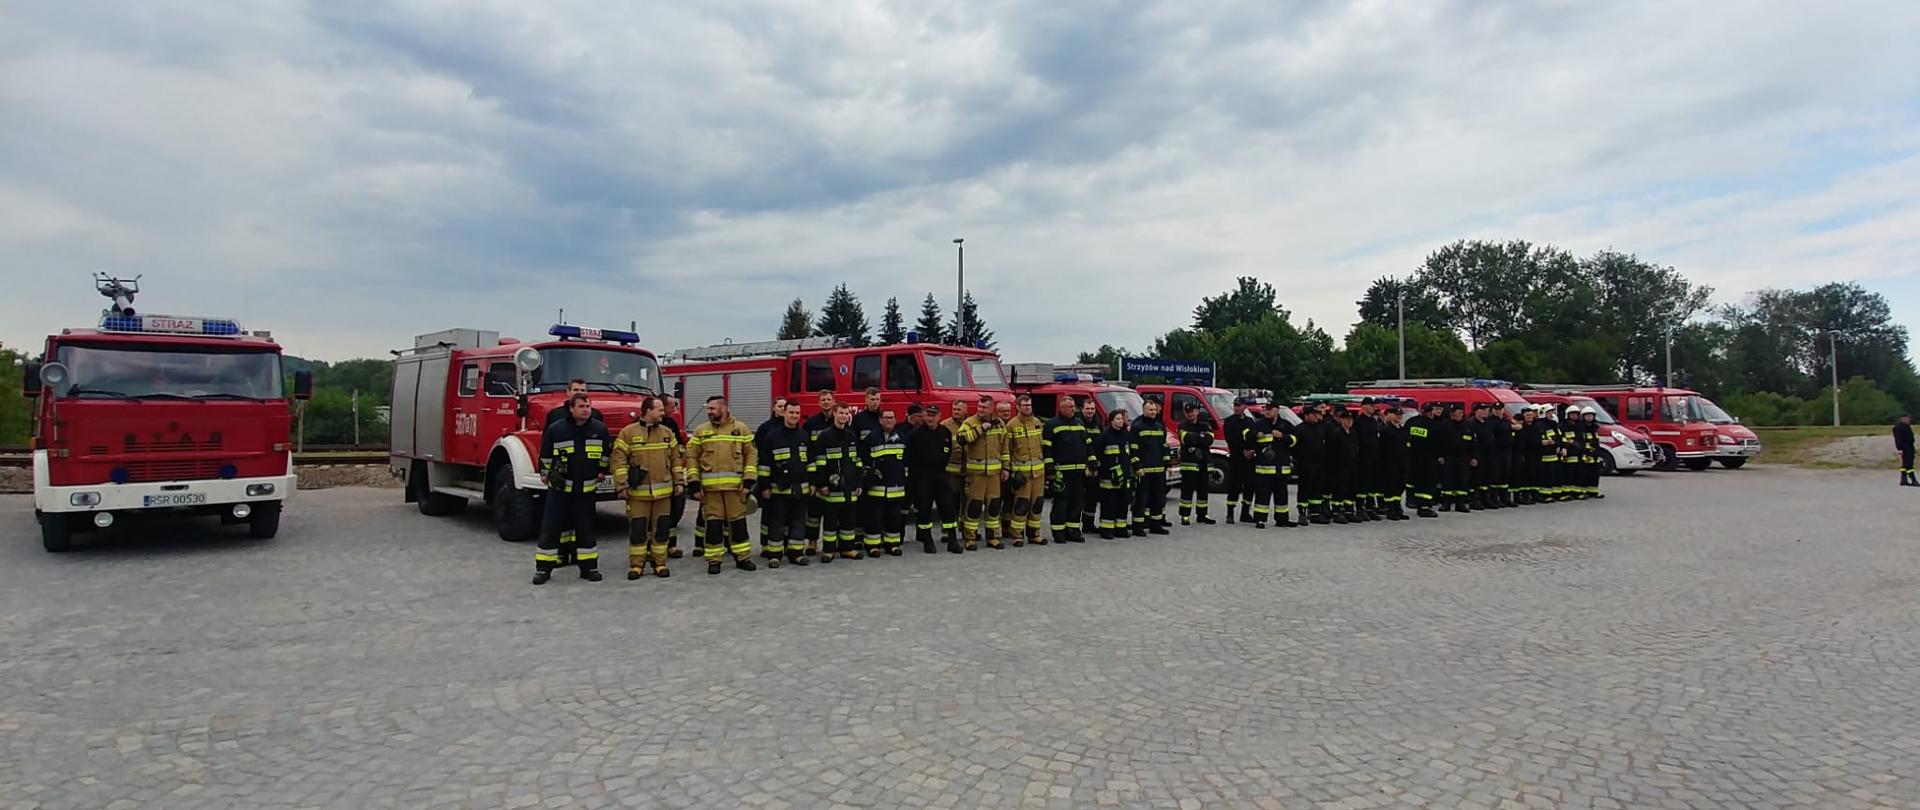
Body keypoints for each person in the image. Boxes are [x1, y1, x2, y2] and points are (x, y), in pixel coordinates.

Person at [532, 393, 610, 584]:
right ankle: (543, 569)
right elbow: (546, 455)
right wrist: (548, 474)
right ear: (571, 409)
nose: (586, 410)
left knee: (586, 530)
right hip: (559, 491)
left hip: (585, 492)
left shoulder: (599, 429)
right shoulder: (556, 430)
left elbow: (606, 453)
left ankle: (589, 567)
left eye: (588, 406)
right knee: (550, 530)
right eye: (582, 406)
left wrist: (602, 470)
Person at [611, 395, 682, 580]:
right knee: (638, 530)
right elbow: (618, 461)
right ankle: (637, 565)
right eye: (659, 410)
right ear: (648, 411)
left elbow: (676, 460)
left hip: (663, 495)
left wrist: (679, 482)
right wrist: (621, 485)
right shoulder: (628, 433)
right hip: (638, 495)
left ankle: (660, 563)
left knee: (661, 530)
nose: (663, 413)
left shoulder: (667, 433)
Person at [687, 396, 758, 576]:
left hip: (736, 489)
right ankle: (714, 559)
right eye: (708, 409)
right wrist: (694, 483)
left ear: (724, 408)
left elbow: (751, 455)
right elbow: (691, 458)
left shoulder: (740, 429)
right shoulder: (701, 431)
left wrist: (749, 481)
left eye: (713, 408)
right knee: (713, 525)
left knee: (739, 524)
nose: (709, 412)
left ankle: (743, 557)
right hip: (710, 491)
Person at [756, 400, 812, 567]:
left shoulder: (804, 436)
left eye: (797, 413)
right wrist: (764, 486)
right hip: (779, 490)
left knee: (798, 522)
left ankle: (796, 554)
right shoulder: (772, 436)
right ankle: (775, 555)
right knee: (777, 523)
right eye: (791, 412)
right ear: (784, 413)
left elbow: (811, 463)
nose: (794, 416)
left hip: (800, 489)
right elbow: (765, 464)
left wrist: (813, 483)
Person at [811, 403, 865, 562]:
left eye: (846, 413)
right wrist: (822, 484)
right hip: (831, 488)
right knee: (830, 521)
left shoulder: (851, 436)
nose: (843, 416)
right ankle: (829, 551)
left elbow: (857, 463)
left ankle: (848, 549)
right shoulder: (825, 436)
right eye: (841, 413)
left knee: (849, 522)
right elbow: (820, 463)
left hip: (849, 487)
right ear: (834, 414)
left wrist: (859, 484)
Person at [907, 404, 962, 553]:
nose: (930, 418)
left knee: (948, 508)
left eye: (933, 415)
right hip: (922, 477)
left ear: (939, 416)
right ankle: (928, 541)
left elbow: (948, 450)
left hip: (941, 475)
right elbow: (910, 457)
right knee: (924, 509)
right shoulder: (915, 434)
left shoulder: (945, 432)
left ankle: (952, 540)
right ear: (924, 416)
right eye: (928, 415)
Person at [958, 395, 1010, 550]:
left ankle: (992, 537)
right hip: (976, 475)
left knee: (993, 507)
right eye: (979, 407)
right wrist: (981, 429)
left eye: (984, 407)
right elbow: (961, 439)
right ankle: (970, 537)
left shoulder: (999, 424)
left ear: (991, 408)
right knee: (974, 506)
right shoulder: (969, 423)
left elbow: (1004, 448)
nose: (980, 410)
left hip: (994, 474)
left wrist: (1006, 468)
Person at [861, 408, 908, 556]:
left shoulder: (902, 437)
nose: (889, 420)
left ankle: (892, 544)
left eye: (891, 417)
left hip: (896, 487)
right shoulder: (871, 438)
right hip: (877, 488)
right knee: (874, 518)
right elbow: (864, 460)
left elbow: (907, 460)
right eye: (886, 418)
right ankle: (872, 546)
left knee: (894, 518)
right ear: (880, 420)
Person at [1044, 397, 1092, 544]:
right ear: (1062, 408)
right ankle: (1059, 532)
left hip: (1078, 472)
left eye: (1074, 406)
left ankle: (1073, 530)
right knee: (1061, 503)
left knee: (1077, 503)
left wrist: (1092, 461)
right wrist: (1050, 469)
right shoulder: (1052, 424)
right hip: (1061, 472)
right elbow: (1047, 448)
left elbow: (1088, 443)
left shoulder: (1079, 423)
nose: (1074, 409)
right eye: (1070, 407)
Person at [1004, 395, 1048, 546]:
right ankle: (1017, 535)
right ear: (1017, 406)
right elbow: (1007, 451)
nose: (1028, 407)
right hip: (1022, 474)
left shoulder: (1037, 423)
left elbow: (1042, 447)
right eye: (1024, 405)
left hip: (1038, 473)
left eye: (1029, 405)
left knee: (1037, 504)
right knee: (1021, 505)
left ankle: (1034, 534)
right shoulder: (1011, 425)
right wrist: (1011, 472)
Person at [801, 390, 838, 557]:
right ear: (818, 403)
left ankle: (831, 544)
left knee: (832, 513)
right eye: (823, 400)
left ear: (834, 401)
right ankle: (812, 543)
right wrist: (813, 480)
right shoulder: (811, 424)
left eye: (829, 399)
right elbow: (808, 450)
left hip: (835, 474)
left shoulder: (840, 421)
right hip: (817, 472)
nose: (826, 402)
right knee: (813, 514)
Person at [753, 397, 791, 559]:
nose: (782, 409)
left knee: (786, 515)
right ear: (774, 408)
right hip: (771, 477)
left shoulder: (791, 427)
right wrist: (764, 483)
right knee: (768, 514)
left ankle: (786, 543)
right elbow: (763, 456)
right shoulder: (765, 428)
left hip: (786, 480)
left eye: (785, 406)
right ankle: (765, 545)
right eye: (780, 406)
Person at [851, 387, 887, 549]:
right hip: (864, 466)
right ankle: (858, 536)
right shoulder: (859, 419)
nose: (875, 402)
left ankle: (877, 533)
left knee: (879, 503)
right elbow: (855, 442)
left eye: (877, 399)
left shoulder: (884, 417)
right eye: (872, 399)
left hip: (881, 466)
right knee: (861, 503)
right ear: (865, 400)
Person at [1130, 396, 1171, 535]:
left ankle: (1156, 525)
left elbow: (1164, 446)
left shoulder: (1160, 426)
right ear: (1144, 410)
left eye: (1154, 410)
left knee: (1158, 499)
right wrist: (1137, 466)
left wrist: (1168, 463)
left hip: (1159, 470)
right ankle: (1138, 526)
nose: (1153, 412)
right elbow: (1133, 449)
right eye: (1150, 410)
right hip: (1144, 470)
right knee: (1141, 500)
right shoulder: (1137, 427)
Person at [1092, 409, 1135, 539]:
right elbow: (1097, 454)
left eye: (1122, 419)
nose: (1120, 421)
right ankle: (1106, 530)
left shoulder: (1126, 435)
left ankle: (1120, 528)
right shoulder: (1104, 436)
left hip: (1124, 476)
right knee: (1109, 504)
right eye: (1117, 419)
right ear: (1111, 421)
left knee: (1123, 503)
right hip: (1108, 477)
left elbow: (1130, 454)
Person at [1176, 402, 1216, 526]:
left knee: (1203, 491)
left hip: (1203, 463)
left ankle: (1202, 515)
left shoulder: (1205, 424)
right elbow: (1186, 438)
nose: (1190, 414)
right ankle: (1185, 515)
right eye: (1188, 412)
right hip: (1189, 464)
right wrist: (1200, 437)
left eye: (1192, 411)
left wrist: (1195, 439)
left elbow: (1209, 440)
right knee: (1187, 491)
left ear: (1197, 412)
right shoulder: (1182, 426)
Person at [1402, 401, 1442, 517]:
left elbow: (1405, 437)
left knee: (1414, 481)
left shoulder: (1411, 422)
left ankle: (1413, 501)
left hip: (1412, 458)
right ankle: (1424, 507)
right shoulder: (1433, 425)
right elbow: (1438, 443)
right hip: (1428, 460)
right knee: (1427, 484)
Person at [661, 394, 688, 559]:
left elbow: (679, 446)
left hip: (672, 474)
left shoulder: (670, 423)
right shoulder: (638, 428)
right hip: (655, 479)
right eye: (672, 406)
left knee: (674, 512)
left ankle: (671, 546)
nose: (674, 409)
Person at [1292, 406, 1328, 524]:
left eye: (1316, 414)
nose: (1315, 416)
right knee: (1304, 489)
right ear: (1306, 415)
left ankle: (1315, 513)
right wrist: (1299, 460)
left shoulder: (1320, 428)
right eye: (1312, 414)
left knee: (1317, 488)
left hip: (1319, 463)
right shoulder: (1299, 429)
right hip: (1305, 464)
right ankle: (1302, 513)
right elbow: (1294, 448)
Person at [1244, 401, 1278, 528]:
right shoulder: (1258, 424)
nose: (1267, 411)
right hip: (1263, 467)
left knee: (1281, 496)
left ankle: (1282, 519)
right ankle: (1260, 519)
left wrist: (1283, 436)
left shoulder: (1283, 424)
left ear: (1277, 410)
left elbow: (1293, 439)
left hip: (1279, 467)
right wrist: (1254, 434)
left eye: (1270, 409)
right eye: (1266, 409)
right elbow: (1246, 434)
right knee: (1262, 495)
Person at [1222, 397, 1254, 523]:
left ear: (1245, 407)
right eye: (1235, 405)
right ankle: (1230, 513)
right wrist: (1243, 450)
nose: (1236, 408)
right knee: (1234, 485)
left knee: (1249, 486)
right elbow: (1231, 439)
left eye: (1239, 405)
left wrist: (1251, 450)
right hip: (1236, 457)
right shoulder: (1229, 421)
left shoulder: (1250, 421)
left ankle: (1245, 513)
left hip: (1249, 459)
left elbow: (1253, 437)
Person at [1438, 403, 1474, 513]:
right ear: (1452, 414)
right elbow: (1438, 442)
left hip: (1464, 458)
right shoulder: (1444, 425)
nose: (1460, 415)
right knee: (1448, 480)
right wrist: (1440, 456)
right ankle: (1446, 504)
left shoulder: (1467, 425)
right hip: (1448, 457)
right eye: (1458, 413)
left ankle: (1460, 504)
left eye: (1461, 413)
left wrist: (1473, 457)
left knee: (1462, 480)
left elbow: (1473, 443)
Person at [1376, 405, 1410, 520]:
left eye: (1400, 415)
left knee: (1399, 486)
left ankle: (1397, 508)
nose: (1399, 417)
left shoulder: (1402, 430)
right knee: (1391, 487)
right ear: (1391, 415)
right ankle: (1391, 509)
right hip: (1390, 463)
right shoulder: (1386, 430)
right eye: (1397, 415)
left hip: (1401, 463)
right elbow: (1381, 448)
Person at [1327, 409, 1359, 524]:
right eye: (1347, 419)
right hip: (1340, 466)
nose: (1349, 422)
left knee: (1351, 488)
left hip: (1352, 466)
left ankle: (1349, 510)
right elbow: (1332, 452)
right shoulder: (1337, 433)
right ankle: (1336, 511)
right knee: (1340, 489)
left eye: (1351, 420)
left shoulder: (1352, 433)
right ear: (1341, 420)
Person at [1353, 399, 1382, 520]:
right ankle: (1360, 508)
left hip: (1374, 456)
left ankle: (1370, 507)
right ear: (1364, 406)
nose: (1374, 408)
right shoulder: (1359, 421)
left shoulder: (1373, 421)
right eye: (1372, 405)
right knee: (1363, 484)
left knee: (1372, 483)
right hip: (1363, 457)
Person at [1079, 398, 1103, 535]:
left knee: (1092, 496)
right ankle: (1075, 524)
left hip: (1094, 465)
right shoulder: (1078, 423)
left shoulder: (1098, 424)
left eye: (1092, 409)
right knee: (1078, 497)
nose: (1090, 411)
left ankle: (1089, 524)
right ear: (1082, 409)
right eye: (1087, 409)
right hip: (1080, 464)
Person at [1580, 406, 1606, 499]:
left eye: (1591, 415)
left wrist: (1598, 453)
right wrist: (1586, 450)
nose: (1589, 417)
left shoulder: (1595, 427)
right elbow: (1581, 441)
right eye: (1587, 415)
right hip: (1585, 454)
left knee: (1594, 474)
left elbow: (1597, 442)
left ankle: (1593, 492)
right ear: (1583, 417)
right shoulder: (1581, 427)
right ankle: (1583, 492)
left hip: (1595, 455)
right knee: (1584, 474)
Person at [1897, 414, 1916, 487]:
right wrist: (1900, 449)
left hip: (1910, 447)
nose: (1909, 420)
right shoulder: (1898, 428)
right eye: (1907, 418)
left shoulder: (1907, 427)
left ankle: (1903, 480)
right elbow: (1898, 440)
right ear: (1902, 419)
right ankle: (1913, 480)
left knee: (1905, 464)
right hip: (1904, 448)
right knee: (1909, 464)